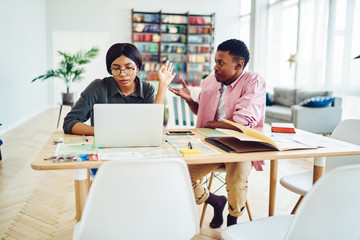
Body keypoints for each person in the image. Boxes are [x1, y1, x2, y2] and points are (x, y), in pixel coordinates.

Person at [169, 39, 266, 228]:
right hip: (210, 145)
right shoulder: (210, 81)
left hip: (240, 146)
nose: (215, 67)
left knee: (237, 179)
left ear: (238, 65)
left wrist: (210, 124)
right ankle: (214, 201)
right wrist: (191, 101)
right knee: (176, 174)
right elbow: (203, 112)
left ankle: (233, 222)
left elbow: (243, 122)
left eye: (220, 62)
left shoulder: (253, 81)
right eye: (215, 61)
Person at [63, 43, 175, 135]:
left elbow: (153, 125)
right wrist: (104, 132)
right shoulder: (97, 87)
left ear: (137, 68)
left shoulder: (146, 89)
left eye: (129, 68)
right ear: (110, 69)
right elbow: (70, 122)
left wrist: (163, 85)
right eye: (116, 68)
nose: (123, 74)